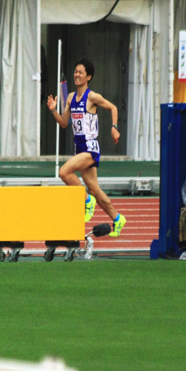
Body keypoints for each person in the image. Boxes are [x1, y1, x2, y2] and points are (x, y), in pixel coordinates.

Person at [46, 58, 126, 237]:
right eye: (75, 72)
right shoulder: (70, 98)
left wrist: (114, 127)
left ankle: (87, 200)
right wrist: (53, 110)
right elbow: (64, 123)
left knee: (64, 172)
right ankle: (117, 218)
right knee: (95, 189)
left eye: (80, 72)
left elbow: (113, 107)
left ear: (88, 77)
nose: (77, 75)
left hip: (90, 148)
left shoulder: (92, 97)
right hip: (79, 148)